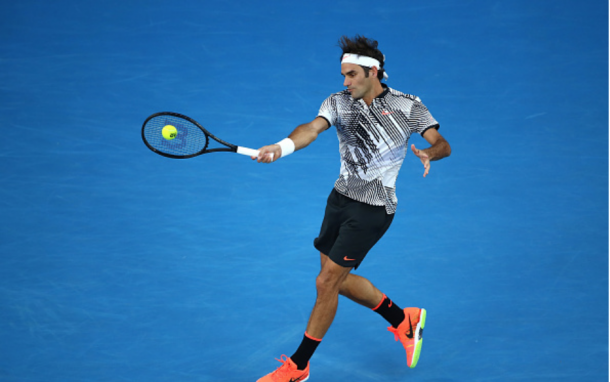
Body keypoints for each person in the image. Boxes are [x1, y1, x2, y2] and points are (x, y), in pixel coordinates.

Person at [253, 35, 451, 381]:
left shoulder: (408, 107)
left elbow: (442, 143)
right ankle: (404, 320)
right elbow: (312, 129)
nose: (345, 82)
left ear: (373, 72)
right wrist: (282, 147)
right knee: (338, 282)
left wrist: (428, 153)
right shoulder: (338, 102)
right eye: (343, 75)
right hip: (340, 200)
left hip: (373, 209)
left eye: (352, 75)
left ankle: (298, 366)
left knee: (326, 281)